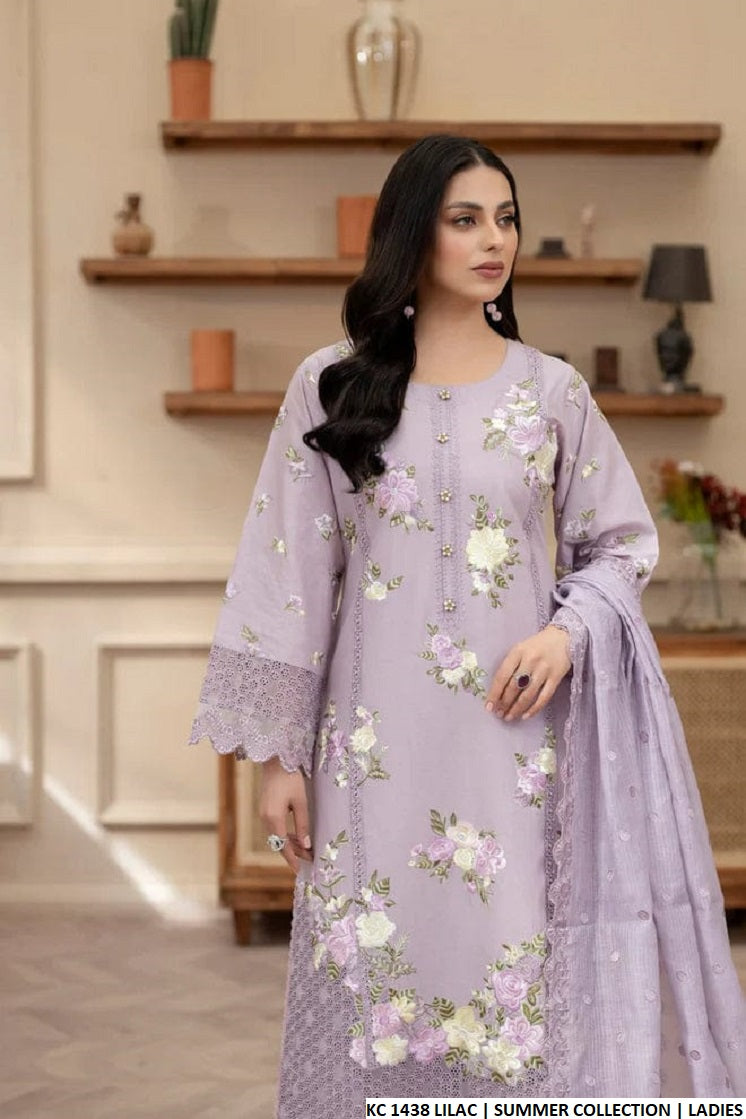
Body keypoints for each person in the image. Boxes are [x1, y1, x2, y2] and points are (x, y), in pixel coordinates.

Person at [190, 135, 745, 1111]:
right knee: (377, 957)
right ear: (414, 233)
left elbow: (621, 545)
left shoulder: (549, 392)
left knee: (511, 972)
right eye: (465, 219)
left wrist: (566, 633)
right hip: (372, 751)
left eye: (506, 218)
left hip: (515, 746)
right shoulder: (334, 385)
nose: (495, 240)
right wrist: (279, 759)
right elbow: (286, 570)